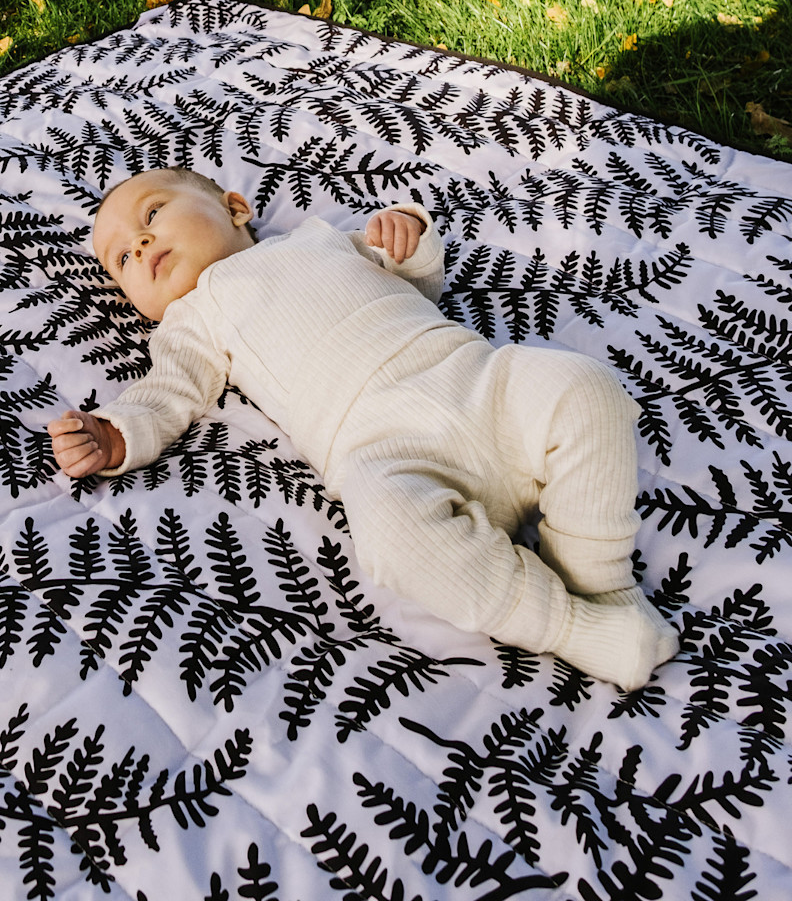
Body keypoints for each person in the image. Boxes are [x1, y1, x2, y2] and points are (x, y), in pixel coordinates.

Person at [48, 167, 680, 690]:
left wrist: (409, 237)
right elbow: (166, 394)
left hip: (475, 379)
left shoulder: (319, 237)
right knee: (391, 533)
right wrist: (113, 435)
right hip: (387, 450)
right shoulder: (192, 320)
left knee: (584, 388)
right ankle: (572, 626)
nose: (140, 246)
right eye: (121, 259)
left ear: (235, 207)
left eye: (152, 215)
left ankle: (600, 580)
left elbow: (419, 283)